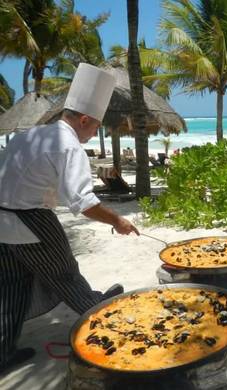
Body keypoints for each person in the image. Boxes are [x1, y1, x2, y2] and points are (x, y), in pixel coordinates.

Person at [0, 63, 139, 374]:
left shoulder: (30, 135)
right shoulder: (69, 146)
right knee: (65, 276)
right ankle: (105, 320)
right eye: (95, 128)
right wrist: (118, 220)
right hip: (30, 219)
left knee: (11, 285)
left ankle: (2, 352)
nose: (93, 135)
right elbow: (84, 204)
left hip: (1, 219)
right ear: (85, 119)